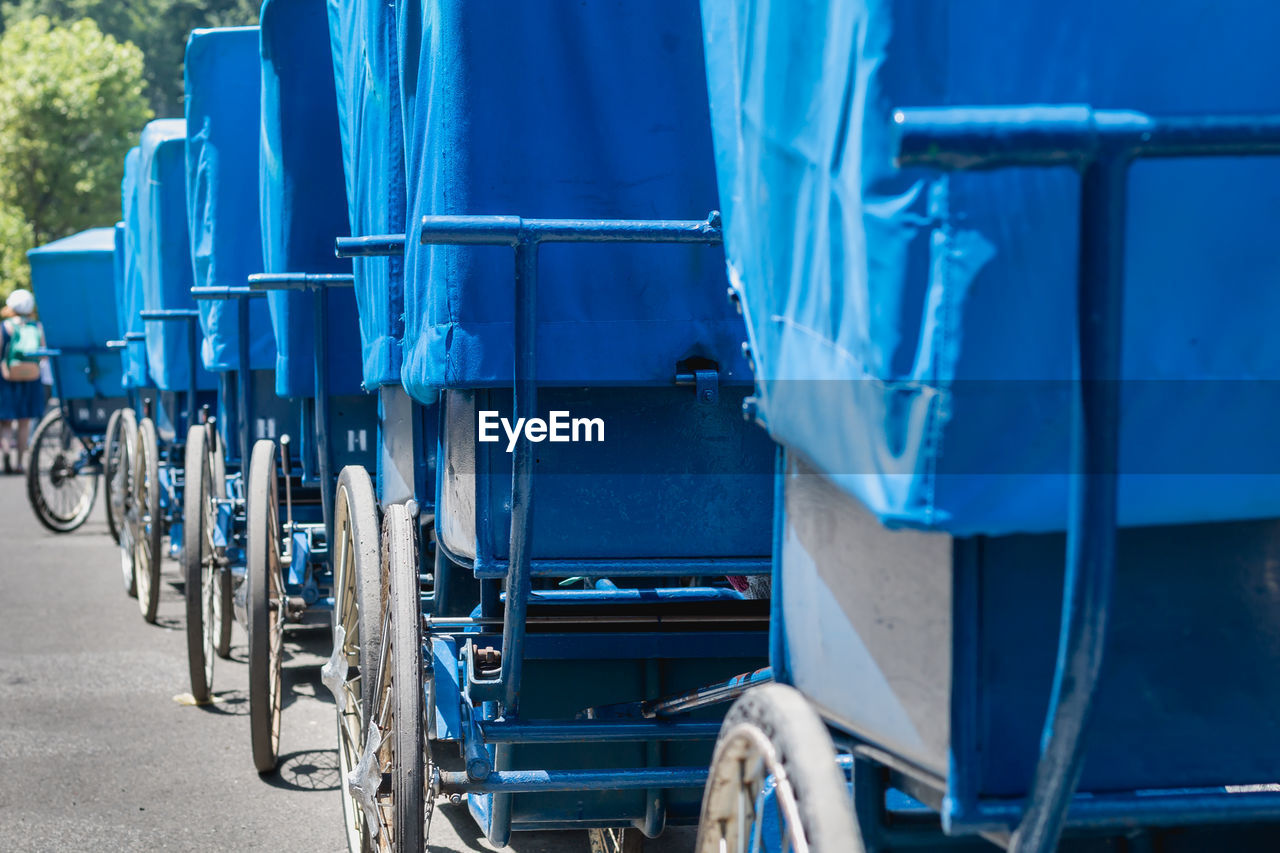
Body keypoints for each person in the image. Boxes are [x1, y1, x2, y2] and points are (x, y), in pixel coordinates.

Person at [0, 290, 46, 474]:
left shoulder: (5, 327)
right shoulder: (37, 327)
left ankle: (6, 455)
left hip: (6, 378)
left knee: (5, 422)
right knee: (24, 422)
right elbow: (43, 354)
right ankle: (20, 462)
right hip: (31, 378)